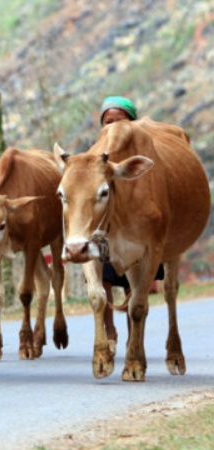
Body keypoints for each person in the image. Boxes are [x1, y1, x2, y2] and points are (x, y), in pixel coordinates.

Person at [99, 96, 165, 323]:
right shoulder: (97, 157)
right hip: (109, 229)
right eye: (109, 122)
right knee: (102, 280)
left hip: (136, 231)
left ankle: (132, 338)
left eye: (121, 121)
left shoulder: (145, 156)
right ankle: (108, 330)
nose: (114, 126)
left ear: (133, 123)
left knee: (134, 285)